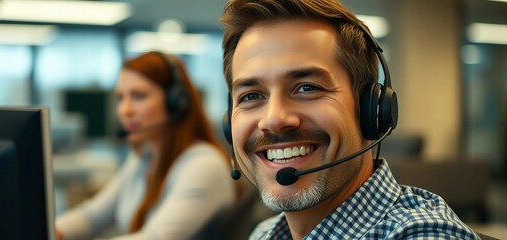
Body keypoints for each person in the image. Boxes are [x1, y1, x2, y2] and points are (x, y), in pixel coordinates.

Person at [220, 0, 480, 239]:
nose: (274, 119)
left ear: (371, 111)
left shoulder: (423, 234)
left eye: (307, 88)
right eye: (251, 95)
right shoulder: (266, 233)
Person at [55, 51, 236, 240]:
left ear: (175, 102)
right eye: (120, 98)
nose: (125, 110)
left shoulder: (204, 165)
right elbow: (91, 218)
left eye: (138, 96)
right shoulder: (143, 158)